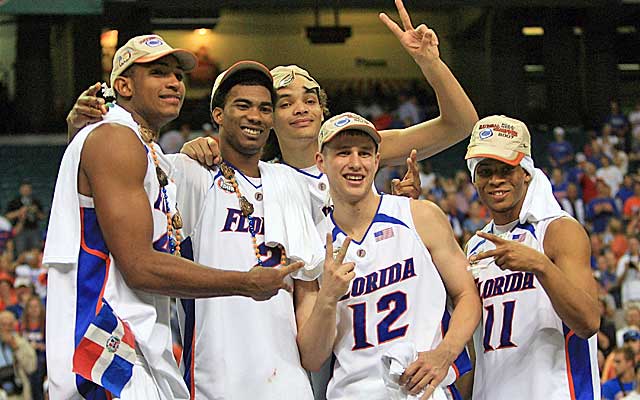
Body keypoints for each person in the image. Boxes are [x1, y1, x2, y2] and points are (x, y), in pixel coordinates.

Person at [43, 35, 303, 400]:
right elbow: (139, 266)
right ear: (123, 85)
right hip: (107, 348)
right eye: (158, 72)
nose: (174, 83)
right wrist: (245, 283)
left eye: (178, 76)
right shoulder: (115, 139)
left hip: (133, 346)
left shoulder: (146, 151)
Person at [294, 112, 481, 400]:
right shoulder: (311, 242)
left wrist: (445, 354)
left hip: (425, 391)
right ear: (321, 162)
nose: (355, 163)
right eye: (343, 153)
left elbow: (468, 295)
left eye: (364, 153)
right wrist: (328, 298)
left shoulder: (420, 216)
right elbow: (312, 357)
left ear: (377, 160)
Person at [465, 115, 600, 399]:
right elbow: (476, 350)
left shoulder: (558, 230)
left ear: (525, 171)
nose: (495, 180)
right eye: (485, 171)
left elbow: (588, 322)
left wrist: (540, 266)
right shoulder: (475, 246)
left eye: (505, 169)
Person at [0, 311, 36, 399]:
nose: (7, 328)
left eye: (10, 325)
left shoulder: (21, 342)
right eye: (3, 324)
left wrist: (16, 348)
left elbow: (31, 368)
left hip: (19, 392)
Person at [4, 181, 45, 255]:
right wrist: (20, 212)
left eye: (28, 189)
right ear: (20, 190)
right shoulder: (14, 202)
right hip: (20, 230)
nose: (26, 191)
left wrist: (36, 211)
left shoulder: (36, 202)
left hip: (34, 230)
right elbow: (8, 216)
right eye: (24, 189)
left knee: (36, 250)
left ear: (31, 190)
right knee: (21, 251)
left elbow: (42, 217)